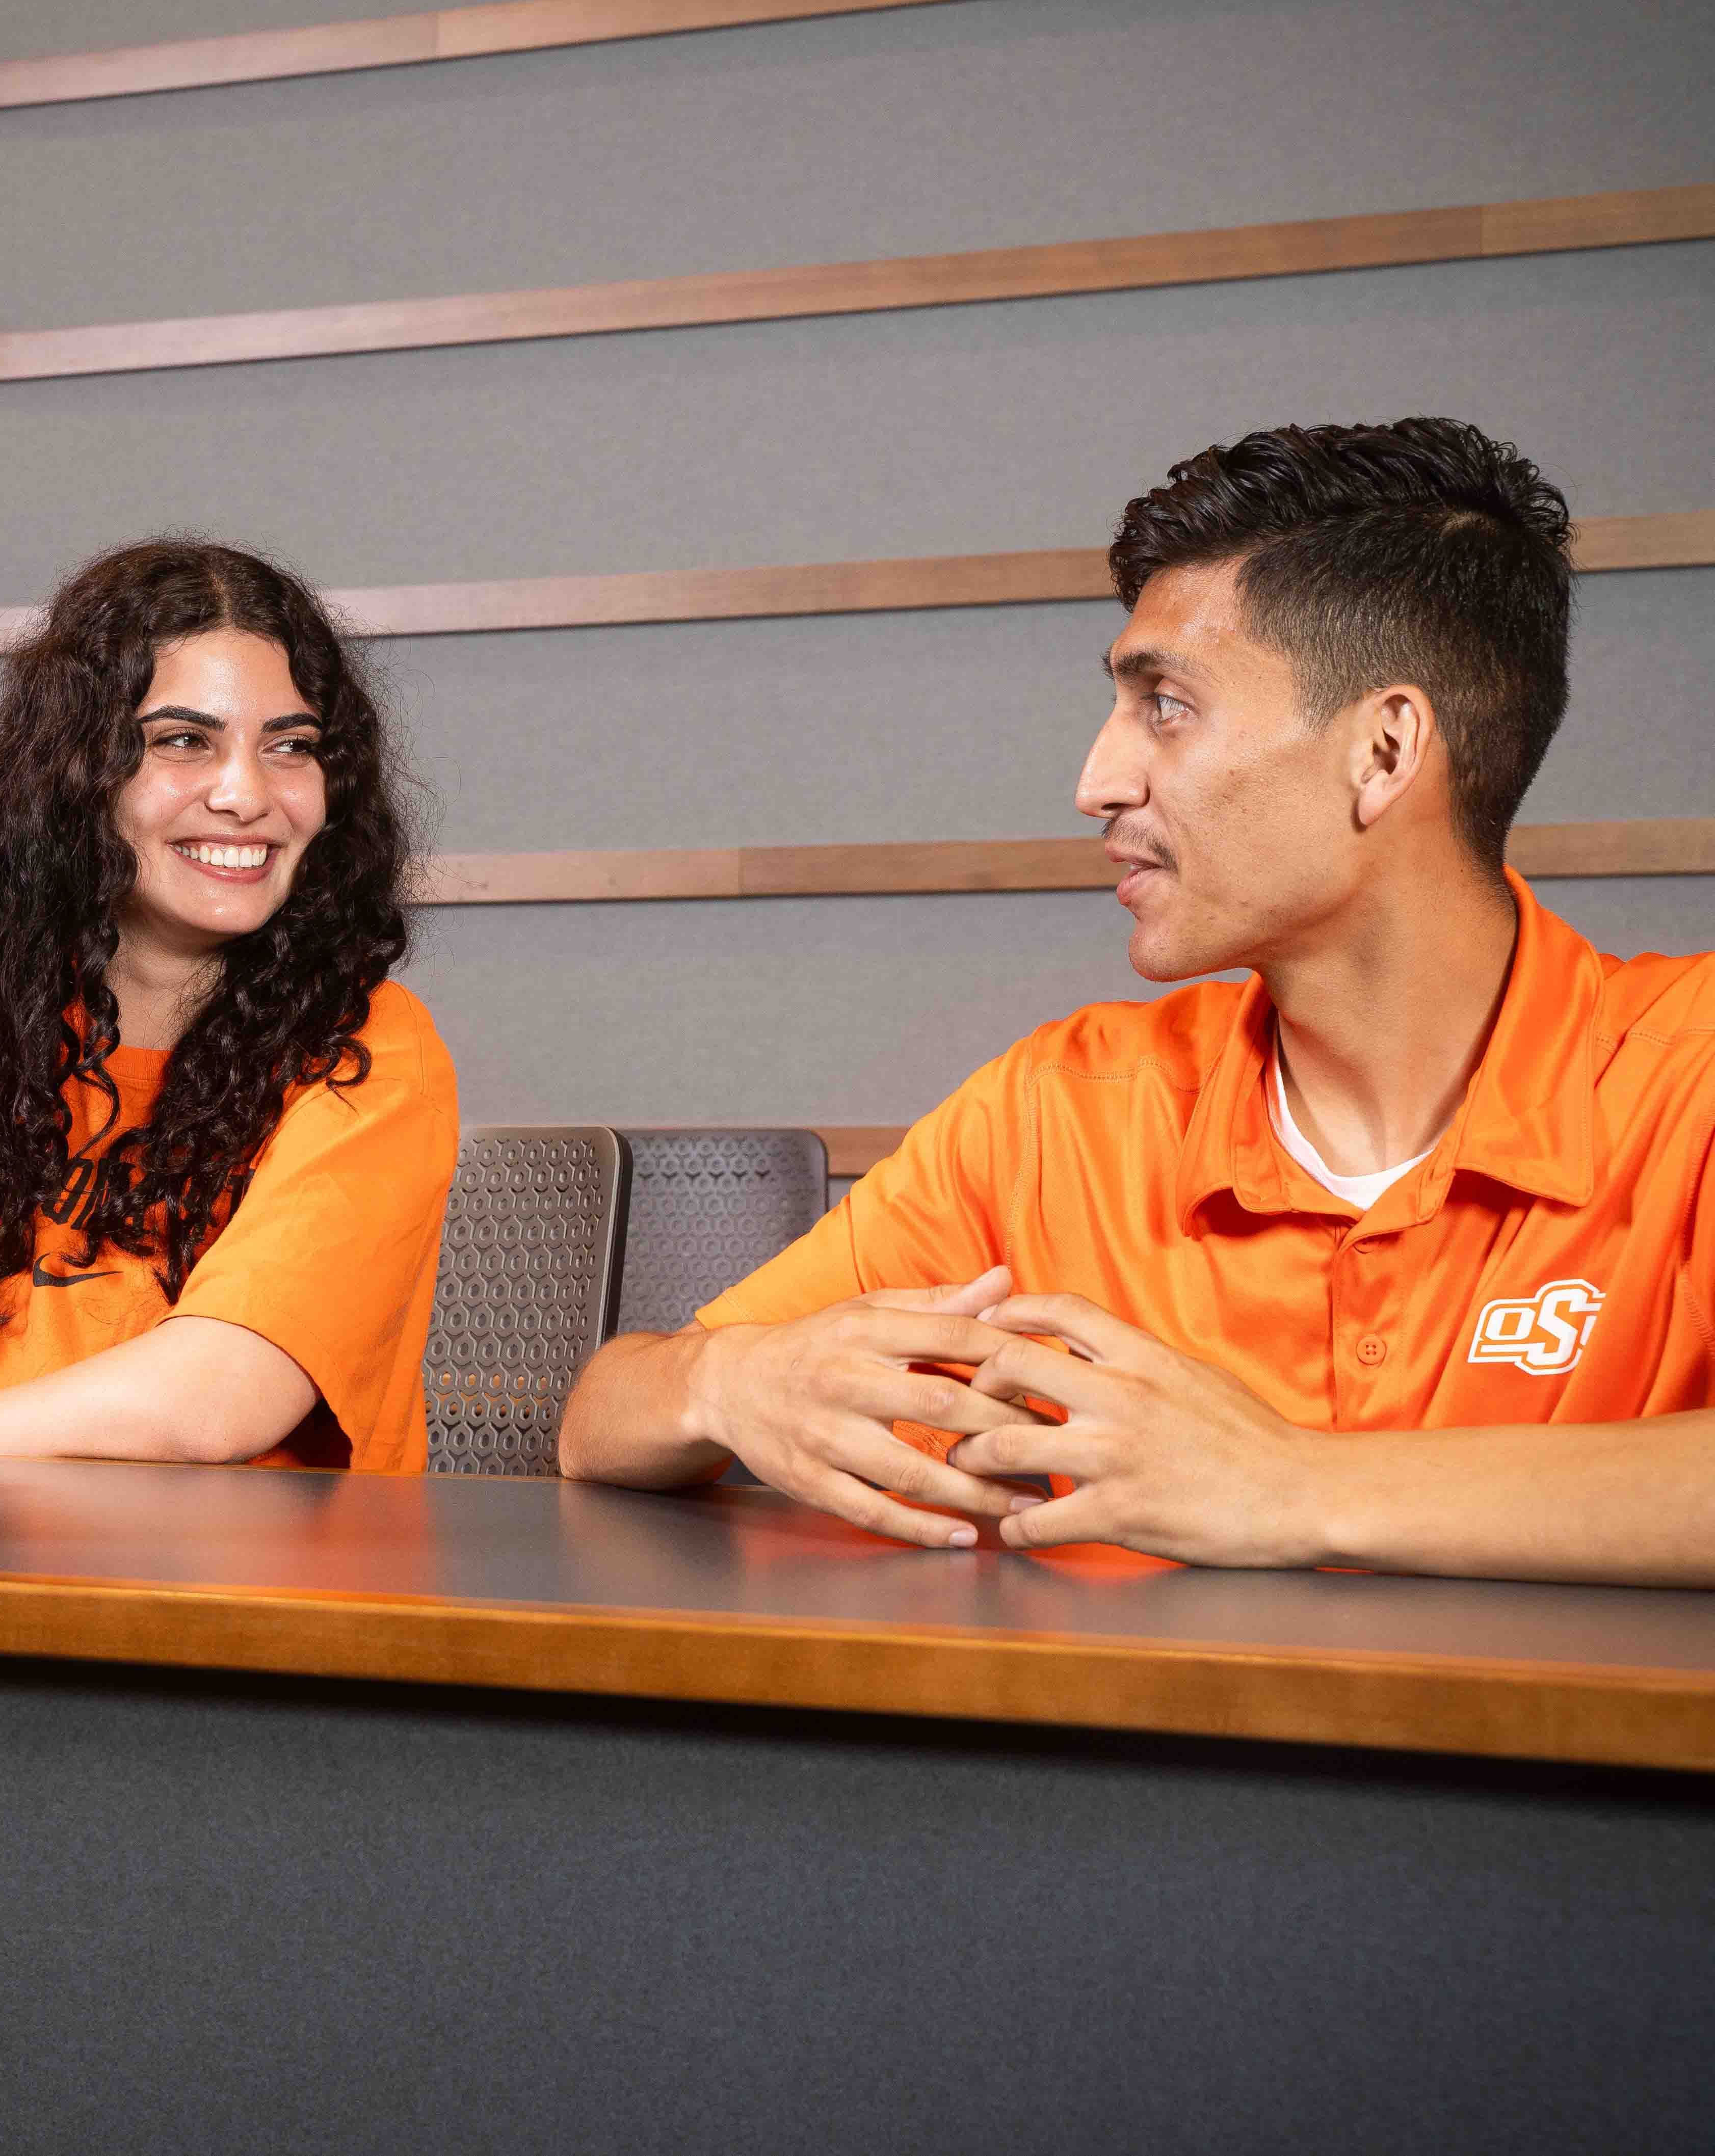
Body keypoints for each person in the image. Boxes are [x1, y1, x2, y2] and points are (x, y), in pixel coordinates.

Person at [559, 417, 1715, 1583]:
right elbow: (604, 1415)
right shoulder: (1058, 1108)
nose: (1095, 781)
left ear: (1383, 750)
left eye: (1165, 702)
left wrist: (1294, 1485)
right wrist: (728, 1382)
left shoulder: (1692, 1074)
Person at [0, 541, 458, 1470]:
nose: (246, 793)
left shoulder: (372, 1052)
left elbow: (215, 1403)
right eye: (183, 740)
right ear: (77, 775)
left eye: (291, 745)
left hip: (247, 1612)